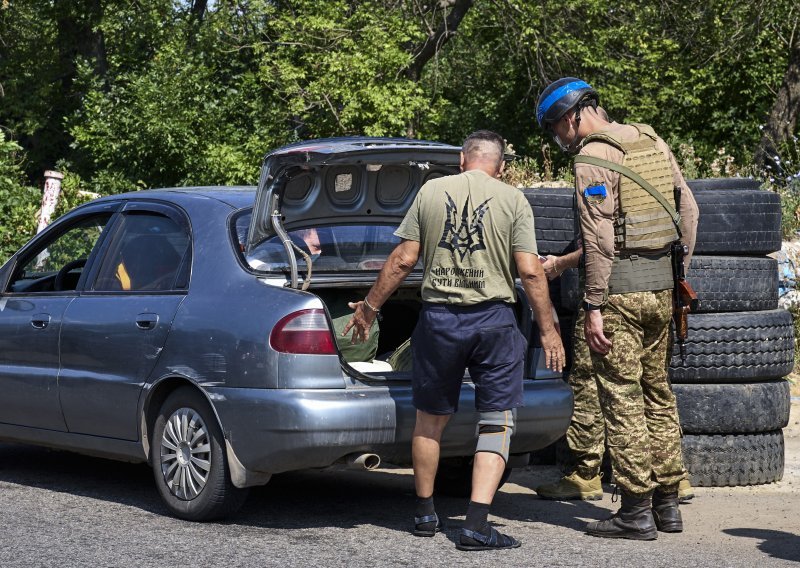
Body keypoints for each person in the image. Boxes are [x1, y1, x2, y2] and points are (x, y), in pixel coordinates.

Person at [343, 130, 564, 551]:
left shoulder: (430, 192)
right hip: (494, 322)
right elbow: (532, 272)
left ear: (462, 161)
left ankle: (425, 515)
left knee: (430, 419)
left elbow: (404, 259)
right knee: (496, 422)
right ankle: (476, 524)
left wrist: (369, 308)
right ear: (499, 166)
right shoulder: (513, 199)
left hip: (440, 319)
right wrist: (549, 329)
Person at [536, 77, 699, 540]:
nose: (558, 139)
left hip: (620, 298)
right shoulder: (650, 139)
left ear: (571, 118)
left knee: (622, 401)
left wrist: (592, 305)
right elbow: (689, 212)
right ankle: (668, 506)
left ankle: (634, 511)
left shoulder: (592, 158)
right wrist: (676, 272)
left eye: (555, 130)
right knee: (658, 396)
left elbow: (599, 240)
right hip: (662, 292)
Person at [535, 245, 694, 504]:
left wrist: (560, 264)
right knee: (656, 389)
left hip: (614, 296)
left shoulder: (602, 201)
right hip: (661, 292)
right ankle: (671, 480)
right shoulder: (671, 200)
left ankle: (587, 474)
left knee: (594, 384)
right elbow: (689, 221)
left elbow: (601, 245)